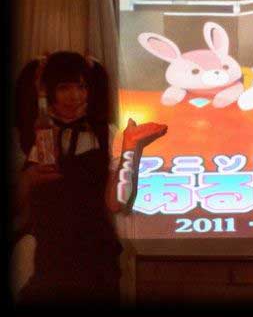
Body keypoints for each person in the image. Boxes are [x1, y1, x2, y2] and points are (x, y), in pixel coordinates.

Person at [12, 51, 165, 307]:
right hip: (50, 260)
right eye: (64, 88)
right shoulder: (38, 136)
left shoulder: (107, 135)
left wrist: (131, 150)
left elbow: (117, 203)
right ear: (48, 92)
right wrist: (28, 180)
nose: (75, 96)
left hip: (96, 261)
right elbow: (20, 207)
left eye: (82, 87)